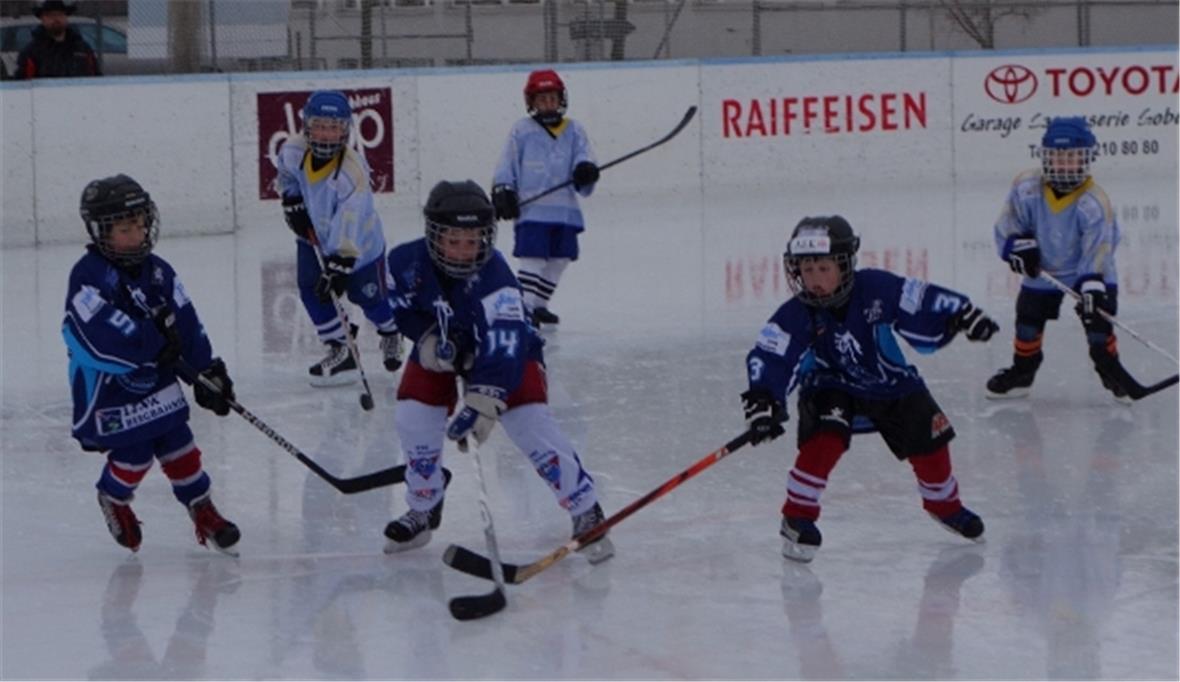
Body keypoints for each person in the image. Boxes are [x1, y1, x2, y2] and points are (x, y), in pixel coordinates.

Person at [380, 179, 613, 564]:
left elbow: (506, 346)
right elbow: (398, 308)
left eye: (472, 241)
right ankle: (424, 504)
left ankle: (585, 507)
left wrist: (484, 401)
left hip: (509, 358)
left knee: (531, 426)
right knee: (412, 416)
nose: (463, 251)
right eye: (453, 240)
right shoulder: (405, 262)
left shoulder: (497, 280)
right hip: (444, 350)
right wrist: (425, 340)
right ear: (433, 236)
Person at [742, 215, 997, 562]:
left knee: (930, 442)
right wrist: (764, 400)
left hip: (889, 381)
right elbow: (772, 354)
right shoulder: (797, 312)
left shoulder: (875, 287)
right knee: (825, 438)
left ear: (845, 265)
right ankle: (797, 515)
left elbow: (916, 299)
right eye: (806, 270)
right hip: (831, 383)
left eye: (823, 268)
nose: (814, 279)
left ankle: (943, 503)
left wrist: (960, 314)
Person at [63, 174, 239, 555]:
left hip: (155, 379)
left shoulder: (158, 270)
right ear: (101, 233)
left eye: (141, 225)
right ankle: (112, 496)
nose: (138, 235)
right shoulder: (88, 277)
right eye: (126, 229)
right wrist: (151, 341)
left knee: (180, 442)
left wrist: (207, 369)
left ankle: (202, 508)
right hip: (110, 390)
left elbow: (186, 320)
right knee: (135, 453)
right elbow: (96, 335)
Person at [986, 116, 1127, 402]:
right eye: (1057, 156)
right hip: (1045, 271)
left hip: (1088, 273)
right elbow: (1009, 225)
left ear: (1086, 159)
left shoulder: (1094, 201)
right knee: (1027, 322)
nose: (1064, 164)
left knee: (1098, 327)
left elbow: (1099, 247)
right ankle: (1022, 373)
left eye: (1072, 157)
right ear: (1045, 157)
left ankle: (1112, 371)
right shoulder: (1026, 188)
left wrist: (1091, 286)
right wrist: (1018, 247)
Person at [275, 89, 402, 386]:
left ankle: (390, 331)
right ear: (307, 126)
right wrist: (291, 200)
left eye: (334, 128)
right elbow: (287, 174)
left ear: (345, 131)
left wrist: (341, 261)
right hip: (313, 235)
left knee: (368, 297)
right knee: (311, 288)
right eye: (320, 126)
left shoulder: (352, 171)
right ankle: (340, 347)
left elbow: (352, 218)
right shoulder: (293, 150)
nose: (326, 134)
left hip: (360, 246)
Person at [491, 68, 599, 328]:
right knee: (534, 259)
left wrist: (586, 170)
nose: (548, 103)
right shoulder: (522, 130)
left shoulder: (574, 130)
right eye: (542, 99)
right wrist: (503, 189)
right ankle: (524, 308)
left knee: (561, 259)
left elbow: (585, 157)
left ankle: (539, 305)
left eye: (552, 98)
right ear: (532, 103)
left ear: (561, 99)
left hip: (565, 211)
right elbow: (507, 163)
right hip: (533, 212)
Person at [14, 0, 101, 79]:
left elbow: (96, 79)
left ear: (66, 17)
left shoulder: (83, 48)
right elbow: (22, 84)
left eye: (60, 14)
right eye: (50, 15)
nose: (56, 19)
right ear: (42, 19)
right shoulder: (31, 52)